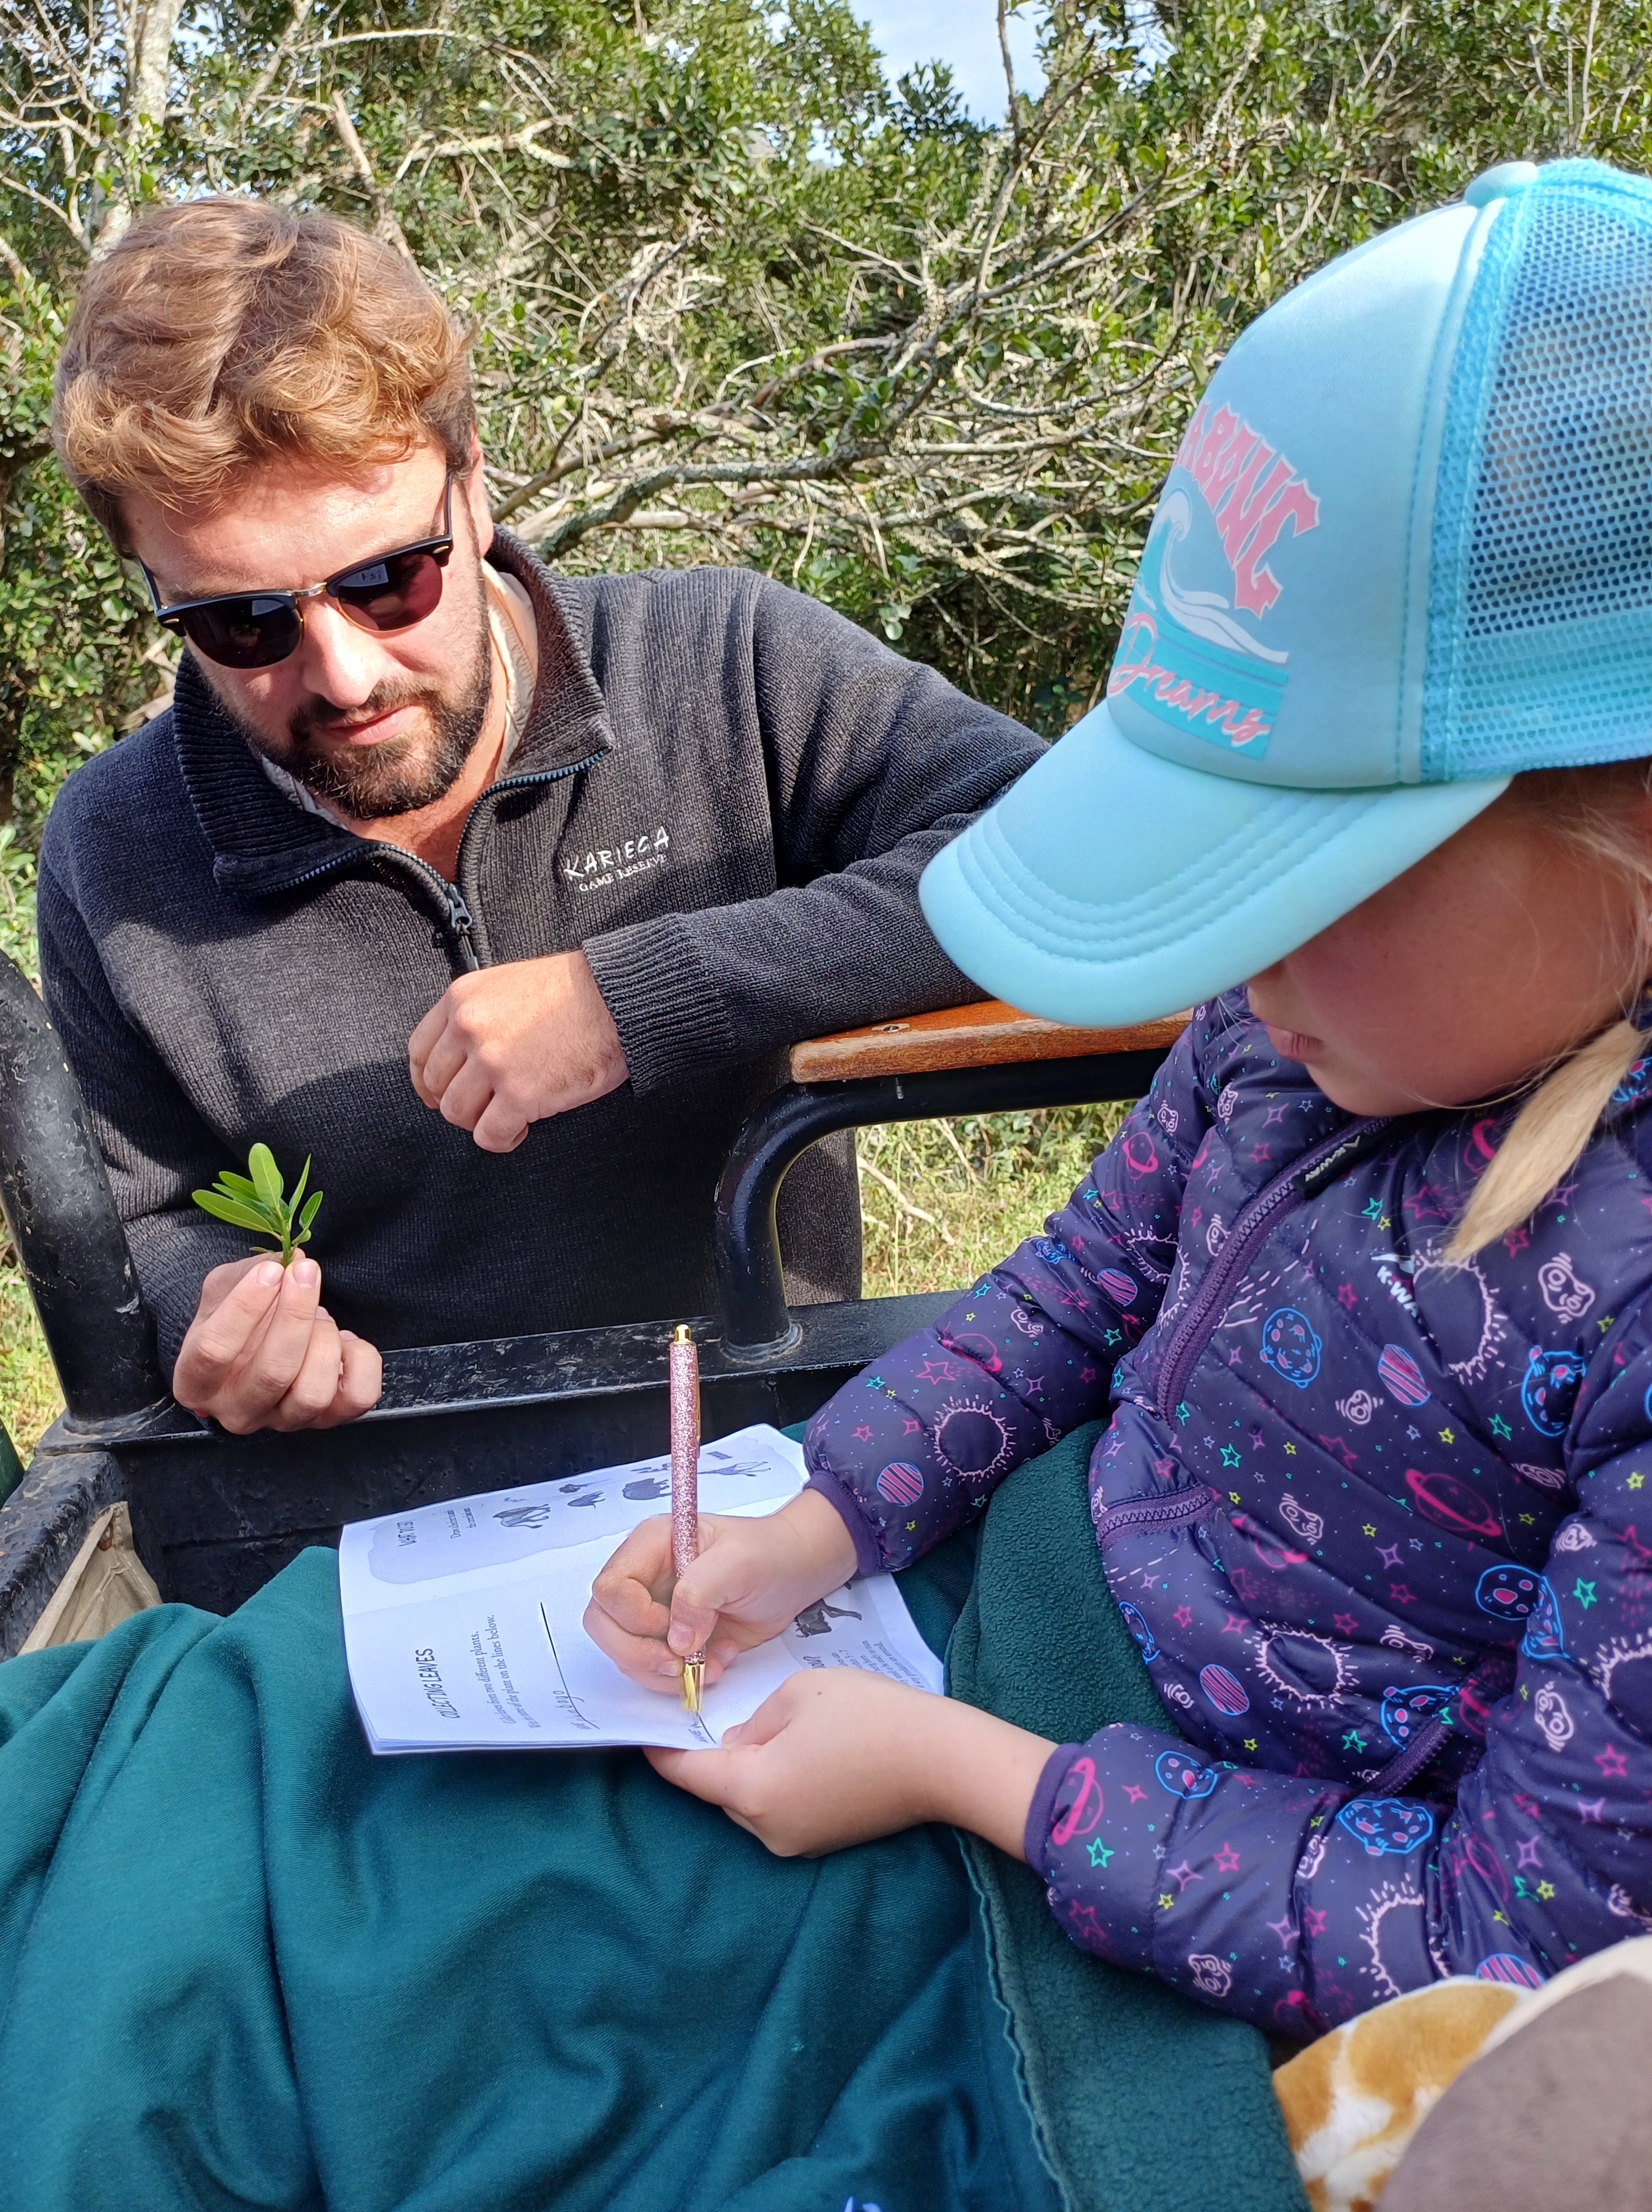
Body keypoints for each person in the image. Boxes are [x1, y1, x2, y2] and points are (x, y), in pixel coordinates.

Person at [590, 155, 1652, 2034]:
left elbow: (1524, 1951)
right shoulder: (1299, 1029)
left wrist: (957, 1774)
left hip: (1206, 1865)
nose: (1238, 965)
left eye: (1310, 880)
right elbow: (1075, 1295)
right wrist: (818, 1522)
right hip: (1033, 1607)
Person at [39, 198, 1045, 1435]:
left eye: (387, 580)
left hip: (761, 1452)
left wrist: (645, 995)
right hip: (377, 1489)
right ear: (155, 588)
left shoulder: (724, 659)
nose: (344, 675)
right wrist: (227, 1316)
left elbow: (1058, 848)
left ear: (472, 489)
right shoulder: (109, 845)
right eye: (240, 623)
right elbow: (140, 1212)